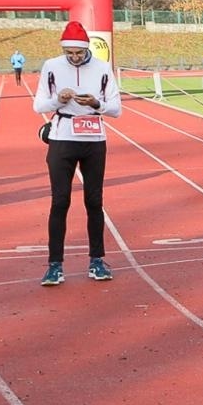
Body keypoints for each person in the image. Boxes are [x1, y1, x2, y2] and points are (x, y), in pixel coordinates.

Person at [32, 22, 122, 285]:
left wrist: (96, 103)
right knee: (60, 201)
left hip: (94, 138)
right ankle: (54, 265)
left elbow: (116, 109)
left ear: (87, 50)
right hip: (62, 137)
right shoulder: (51, 66)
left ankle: (97, 260)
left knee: (94, 201)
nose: (74, 57)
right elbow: (39, 104)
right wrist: (58, 100)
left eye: (78, 53)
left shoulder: (103, 69)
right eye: (69, 53)